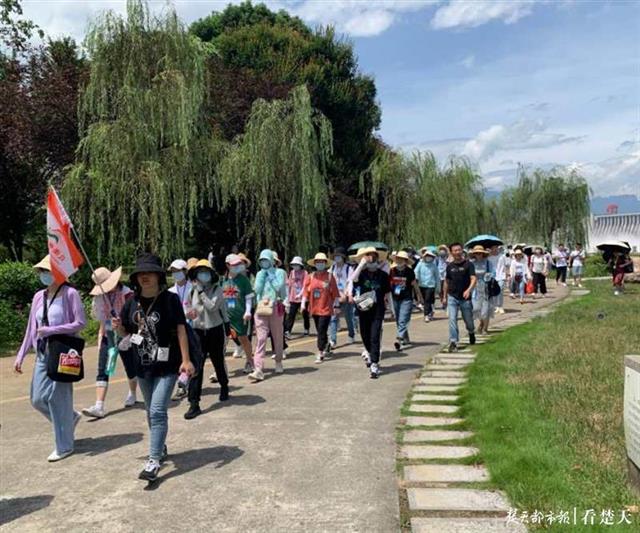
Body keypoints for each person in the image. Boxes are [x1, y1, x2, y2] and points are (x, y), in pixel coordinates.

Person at [113, 253, 194, 481]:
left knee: (158, 410)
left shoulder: (170, 300)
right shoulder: (131, 303)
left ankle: (154, 460)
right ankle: (161, 446)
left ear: (159, 276)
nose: (145, 277)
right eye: (141, 274)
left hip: (168, 365)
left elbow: (181, 329)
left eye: (149, 273)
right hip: (142, 366)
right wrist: (118, 328)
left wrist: (186, 360)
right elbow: (128, 333)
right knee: (150, 411)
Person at [14, 255, 86, 462]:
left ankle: (64, 445)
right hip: (43, 353)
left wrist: (53, 330)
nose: (43, 275)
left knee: (58, 399)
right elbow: (31, 329)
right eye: (42, 272)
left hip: (63, 352)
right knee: (37, 399)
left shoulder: (70, 293)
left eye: (47, 271)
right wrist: (21, 355)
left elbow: (80, 322)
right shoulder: (39, 296)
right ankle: (69, 420)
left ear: (59, 272)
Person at [82, 266, 137, 419]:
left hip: (125, 334)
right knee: (103, 368)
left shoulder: (128, 295)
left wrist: (125, 330)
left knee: (130, 366)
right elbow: (102, 320)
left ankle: (132, 393)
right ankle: (99, 405)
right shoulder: (100, 298)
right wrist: (101, 337)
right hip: (108, 335)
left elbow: (134, 319)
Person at [184, 259, 230, 419]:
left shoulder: (217, 290)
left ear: (211, 275)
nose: (202, 275)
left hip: (214, 330)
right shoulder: (192, 292)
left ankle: (224, 385)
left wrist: (202, 293)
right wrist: (188, 313)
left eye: (205, 272)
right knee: (197, 366)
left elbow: (212, 307)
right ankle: (194, 403)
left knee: (218, 361)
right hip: (198, 332)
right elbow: (188, 307)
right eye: (199, 272)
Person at [349, 247, 391, 379]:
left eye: (373, 255)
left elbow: (387, 293)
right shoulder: (362, 273)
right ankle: (369, 352)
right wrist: (361, 264)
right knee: (365, 335)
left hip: (378, 309)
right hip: (364, 309)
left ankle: (374, 363)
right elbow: (353, 279)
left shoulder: (383, 275)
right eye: (368, 255)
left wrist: (392, 310)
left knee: (375, 335)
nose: (371, 258)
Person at [249, 249, 287, 382]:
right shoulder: (260, 273)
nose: (264, 262)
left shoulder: (280, 272)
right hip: (261, 308)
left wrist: (271, 275)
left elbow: (279, 287)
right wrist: (261, 276)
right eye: (262, 260)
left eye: (266, 260)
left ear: (272, 260)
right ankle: (258, 369)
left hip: (276, 307)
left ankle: (278, 361)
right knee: (261, 338)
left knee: (277, 336)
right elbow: (257, 290)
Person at [302, 253, 339, 363]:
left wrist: (336, 305)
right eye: (318, 262)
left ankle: (320, 352)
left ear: (325, 263)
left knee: (321, 330)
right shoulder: (311, 276)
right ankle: (326, 344)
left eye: (322, 262)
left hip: (326, 308)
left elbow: (335, 293)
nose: (320, 264)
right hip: (314, 308)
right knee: (319, 330)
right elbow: (305, 292)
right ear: (314, 263)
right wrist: (303, 304)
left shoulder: (329, 277)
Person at [222, 254, 254, 374]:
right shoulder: (222, 280)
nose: (236, 266)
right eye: (233, 264)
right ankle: (220, 367)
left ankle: (250, 361)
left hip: (240, 316)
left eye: (238, 264)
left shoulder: (243, 280)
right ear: (227, 265)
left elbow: (249, 297)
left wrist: (247, 311)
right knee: (223, 341)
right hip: (225, 317)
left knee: (243, 339)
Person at [443, 243, 477, 353]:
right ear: (451, 252)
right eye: (455, 250)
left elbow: (473, 279)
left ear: (462, 251)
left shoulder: (468, 265)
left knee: (469, 321)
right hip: (452, 296)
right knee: (452, 319)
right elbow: (446, 282)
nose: (457, 252)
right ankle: (453, 342)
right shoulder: (449, 266)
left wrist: (468, 290)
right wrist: (444, 296)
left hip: (465, 297)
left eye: (459, 250)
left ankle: (471, 332)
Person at [390, 250, 421, 350]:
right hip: (395, 298)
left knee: (403, 319)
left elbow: (414, 284)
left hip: (406, 298)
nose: (399, 261)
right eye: (398, 259)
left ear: (405, 261)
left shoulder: (409, 271)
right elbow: (388, 285)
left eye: (402, 259)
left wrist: (419, 296)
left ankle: (399, 339)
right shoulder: (392, 271)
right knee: (399, 320)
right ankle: (405, 338)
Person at [328, 246, 356, 348]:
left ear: (343, 257)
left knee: (349, 318)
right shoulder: (332, 268)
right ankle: (333, 340)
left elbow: (350, 282)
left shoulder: (349, 268)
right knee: (333, 318)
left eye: (339, 256)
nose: (337, 258)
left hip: (345, 295)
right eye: (335, 256)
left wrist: (348, 294)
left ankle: (351, 334)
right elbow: (329, 281)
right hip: (335, 296)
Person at [469, 246, 494, 335]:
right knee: (476, 308)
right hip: (475, 287)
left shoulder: (488, 263)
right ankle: (482, 322)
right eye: (476, 253)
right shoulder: (471, 263)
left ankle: (485, 329)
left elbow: (493, 273)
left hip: (486, 287)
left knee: (486, 309)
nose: (478, 255)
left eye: (480, 253)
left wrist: (489, 275)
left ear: (483, 253)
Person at [284, 256, 310, 338]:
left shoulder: (305, 273)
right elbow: (289, 285)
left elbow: (305, 285)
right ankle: (288, 331)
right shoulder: (292, 273)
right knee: (291, 315)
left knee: (305, 314)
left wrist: (300, 294)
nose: (295, 266)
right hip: (293, 297)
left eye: (297, 264)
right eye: (294, 264)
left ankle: (306, 329)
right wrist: (287, 297)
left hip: (303, 298)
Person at [414, 249, 439, 322]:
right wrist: (416, 278)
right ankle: (430, 311)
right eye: (427, 256)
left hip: (431, 286)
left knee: (427, 300)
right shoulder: (420, 264)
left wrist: (438, 287)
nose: (428, 257)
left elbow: (437, 276)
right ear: (424, 257)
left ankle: (426, 315)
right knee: (426, 300)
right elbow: (416, 272)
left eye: (430, 256)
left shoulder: (434, 266)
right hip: (422, 285)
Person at [488, 245, 506, 314]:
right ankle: (496, 306)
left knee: (500, 289)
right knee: (494, 291)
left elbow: (505, 265)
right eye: (493, 248)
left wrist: (507, 274)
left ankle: (500, 306)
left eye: (496, 248)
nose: (494, 249)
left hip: (501, 275)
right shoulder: (489, 257)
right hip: (492, 276)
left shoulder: (502, 256)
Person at [436, 245, 450, 310]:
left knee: (445, 290)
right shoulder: (437, 258)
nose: (442, 251)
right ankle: (442, 301)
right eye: (441, 250)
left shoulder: (448, 258)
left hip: (446, 276)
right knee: (439, 291)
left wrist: (446, 249)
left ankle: (445, 301)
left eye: (443, 250)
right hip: (439, 276)